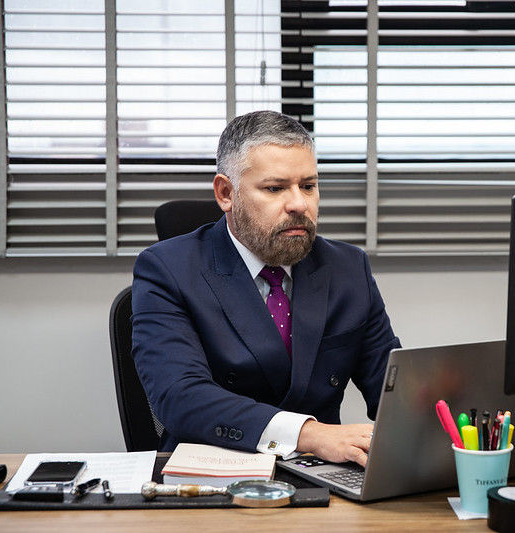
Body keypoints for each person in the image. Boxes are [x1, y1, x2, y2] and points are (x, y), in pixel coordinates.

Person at [131, 110, 400, 467]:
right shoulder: (167, 269)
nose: (299, 204)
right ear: (226, 193)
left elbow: (393, 392)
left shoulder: (348, 268)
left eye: (308, 186)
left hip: (322, 475)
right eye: (275, 188)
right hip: (213, 472)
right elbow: (181, 397)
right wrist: (309, 434)